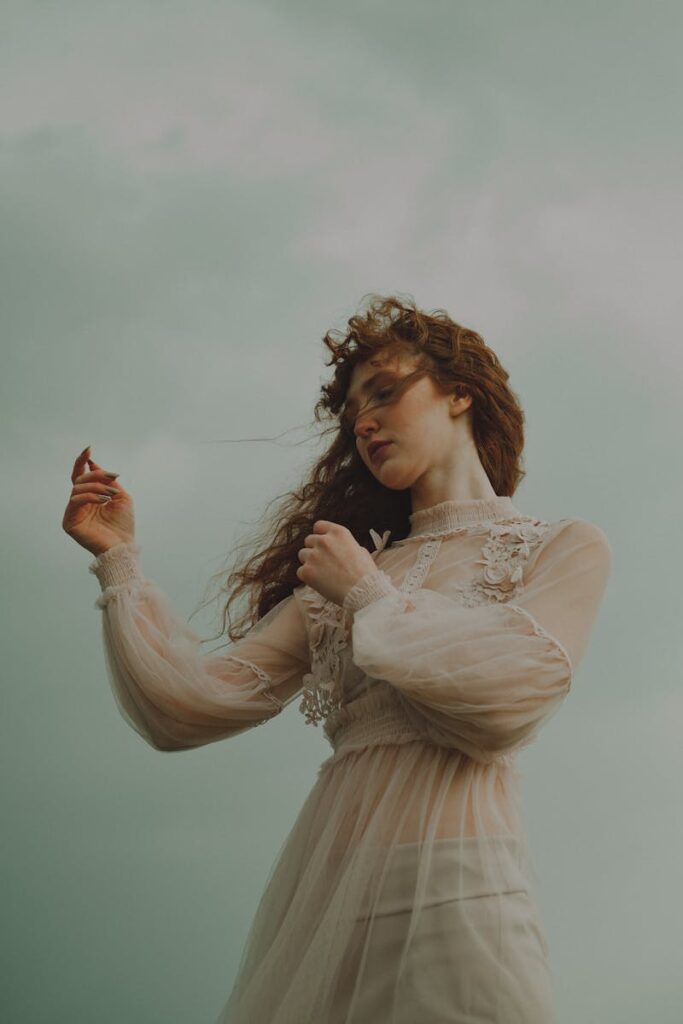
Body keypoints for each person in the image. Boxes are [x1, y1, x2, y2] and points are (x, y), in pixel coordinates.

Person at [63, 295, 612, 1023]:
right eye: (354, 410)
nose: (364, 421)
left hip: (459, 884)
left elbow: (511, 698)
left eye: (384, 392)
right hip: (326, 898)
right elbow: (182, 707)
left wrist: (368, 597)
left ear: (459, 394)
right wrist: (119, 561)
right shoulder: (342, 574)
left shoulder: (559, 545)